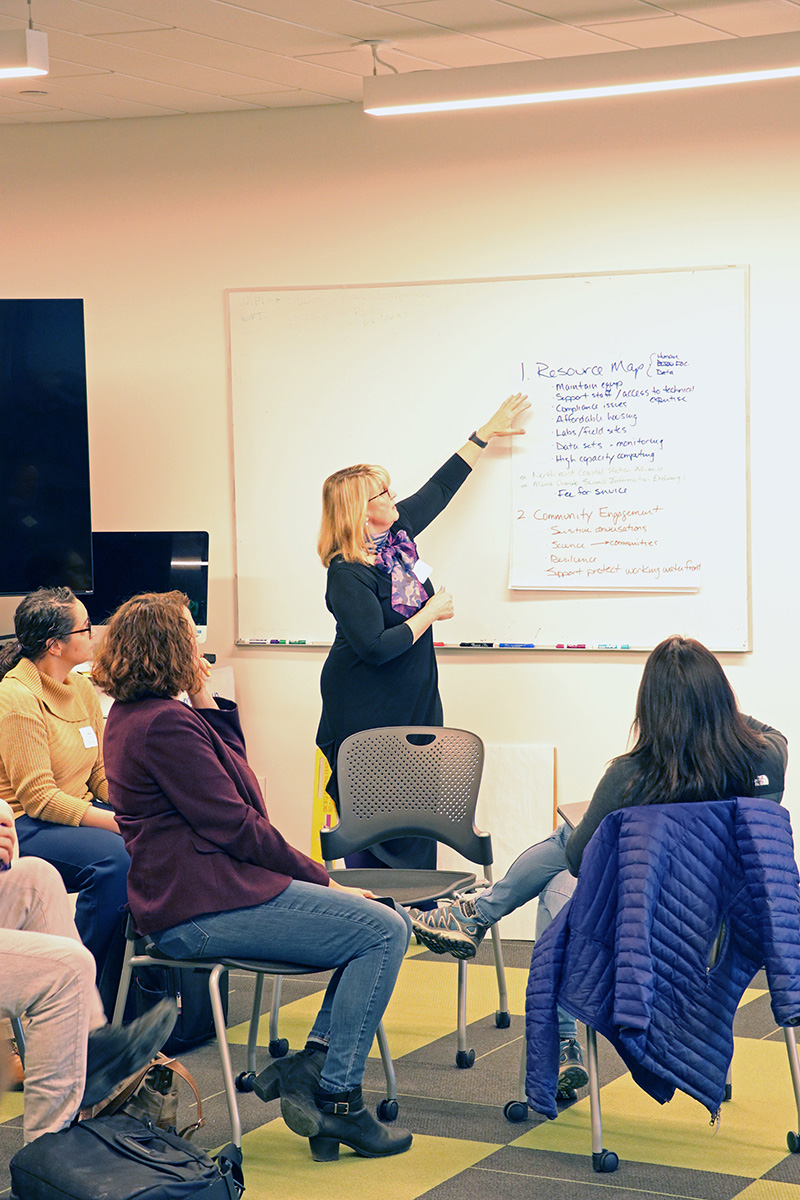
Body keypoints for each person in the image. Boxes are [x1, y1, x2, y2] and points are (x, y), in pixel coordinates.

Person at [92, 590, 415, 1162]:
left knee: (380, 923)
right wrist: (324, 880)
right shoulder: (165, 725)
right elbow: (243, 821)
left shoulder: (136, 715)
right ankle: (337, 1098)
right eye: (191, 637)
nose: (201, 646)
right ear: (169, 648)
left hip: (199, 896)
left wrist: (203, 697)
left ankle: (312, 1067)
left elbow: (237, 789)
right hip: (202, 909)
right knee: (383, 931)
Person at [410, 634, 788, 1097]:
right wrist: (716, 717)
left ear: (649, 708)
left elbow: (577, 860)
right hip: (721, 930)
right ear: (721, 697)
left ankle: (489, 932)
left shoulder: (630, 776)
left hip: (636, 929)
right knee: (566, 865)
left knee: (563, 861)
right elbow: (774, 736)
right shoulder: (764, 757)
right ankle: (477, 916)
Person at [316, 392, 530, 870]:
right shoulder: (347, 572)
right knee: (372, 820)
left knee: (418, 811)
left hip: (412, 698)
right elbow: (374, 647)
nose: (395, 498)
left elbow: (440, 488)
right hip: (364, 707)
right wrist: (429, 612)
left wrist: (484, 434)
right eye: (384, 494)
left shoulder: (398, 540)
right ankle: (376, 918)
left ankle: (416, 919)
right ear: (359, 510)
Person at [0, 797, 177, 1143]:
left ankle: (88, 1045)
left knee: (38, 879)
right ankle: (44, 1156)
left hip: (57, 820)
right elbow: (40, 794)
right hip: (43, 817)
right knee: (69, 968)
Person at [0, 587, 130, 1016]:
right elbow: (38, 798)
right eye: (86, 629)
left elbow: (100, 773)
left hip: (72, 812)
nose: (95, 636)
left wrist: (131, 810)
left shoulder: (80, 687)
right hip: (26, 825)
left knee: (154, 838)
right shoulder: (17, 697)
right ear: (55, 645)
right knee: (115, 858)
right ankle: (73, 985)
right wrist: (113, 824)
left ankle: (121, 994)